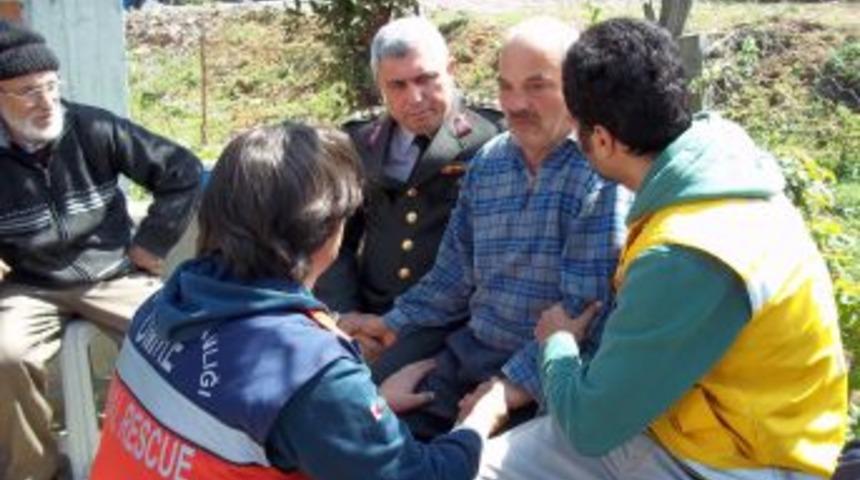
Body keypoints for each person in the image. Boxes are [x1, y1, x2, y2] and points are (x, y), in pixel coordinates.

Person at [478, 18, 848, 480]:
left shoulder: (686, 252)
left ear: (602, 140)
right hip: (699, 427)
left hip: (735, 462)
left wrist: (557, 341)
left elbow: (590, 426)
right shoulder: (724, 173)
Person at [90, 121, 510, 480]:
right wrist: (480, 418)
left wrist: (364, 413)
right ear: (328, 230)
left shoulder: (164, 304)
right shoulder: (308, 372)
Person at [343, 17, 630, 440]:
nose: (516, 104)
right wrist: (390, 324)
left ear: (577, 87)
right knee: (363, 434)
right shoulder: (490, 162)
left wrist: (507, 389)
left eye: (536, 86)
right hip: (467, 355)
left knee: (465, 461)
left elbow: (584, 314)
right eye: (506, 86)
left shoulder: (600, 174)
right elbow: (452, 277)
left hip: (545, 377)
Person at [0, 20, 202, 480]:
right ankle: (33, 471)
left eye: (51, 85)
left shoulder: (92, 127)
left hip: (114, 273)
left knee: (179, 339)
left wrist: (150, 245)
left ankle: (180, 460)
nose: (46, 101)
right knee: (3, 355)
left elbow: (183, 169)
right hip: (32, 285)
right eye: (28, 91)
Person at [314, 16, 503, 322]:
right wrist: (347, 315)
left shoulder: (493, 134)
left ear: (451, 70)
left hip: (453, 321)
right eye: (397, 85)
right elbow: (336, 241)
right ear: (379, 85)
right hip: (371, 313)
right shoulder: (359, 141)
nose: (414, 98)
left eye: (425, 79)